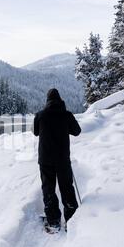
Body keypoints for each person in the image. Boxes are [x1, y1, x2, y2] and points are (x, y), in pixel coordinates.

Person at [33, 88, 81, 230]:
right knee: (67, 188)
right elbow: (77, 131)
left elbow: (35, 132)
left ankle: (53, 222)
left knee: (48, 189)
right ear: (60, 100)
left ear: (47, 101)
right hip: (62, 159)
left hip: (45, 159)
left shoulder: (40, 115)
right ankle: (71, 221)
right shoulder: (66, 115)